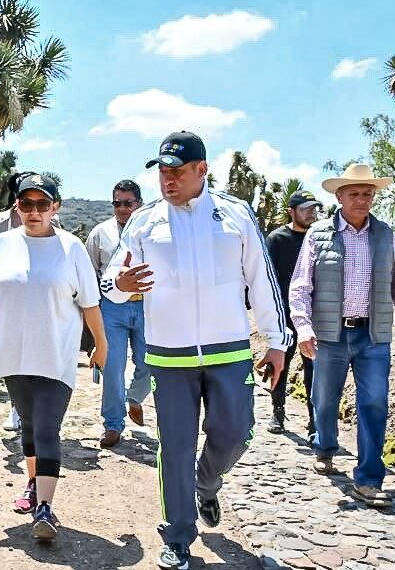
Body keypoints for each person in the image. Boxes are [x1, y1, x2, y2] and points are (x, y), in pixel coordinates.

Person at [102, 131, 289, 569]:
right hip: (169, 356)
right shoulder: (145, 221)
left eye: (177, 172)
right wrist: (121, 285)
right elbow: (112, 281)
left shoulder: (235, 215)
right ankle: (178, 537)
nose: (168, 180)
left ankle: (206, 485)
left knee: (237, 433)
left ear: (201, 171)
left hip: (229, 351)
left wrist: (277, 342)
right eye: (163, 172)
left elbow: (262, 279)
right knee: (176, 445)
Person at [0, 174, 107, 543]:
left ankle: (44, 507)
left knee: (46, 427)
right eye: (26, 204)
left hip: (55, 355)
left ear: (55, 208)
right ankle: (33, 483)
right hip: (13, 352)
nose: (34, 212)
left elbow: (89, 303)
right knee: (29, 425)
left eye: (42, 205)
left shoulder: (71, 247)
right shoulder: (3, 245)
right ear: (17, 207)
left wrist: (101, 344)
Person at [289, 163, 395, 508]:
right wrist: (303, 327)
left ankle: (369, 479)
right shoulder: (318, 234)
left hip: (373, 335)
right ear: (340, 196)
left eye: (368, 194)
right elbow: (301, 286)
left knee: (374, 402)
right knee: (325, 400)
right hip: (330, 334)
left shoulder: (386, 235)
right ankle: (325, 445)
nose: (362, 200)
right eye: (355, 194)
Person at [0, 171, 62, 432]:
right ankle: (17, 406)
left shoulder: (53, 220)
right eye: (25, 199)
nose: (33, 207)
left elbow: (59, 254)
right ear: (16, 198)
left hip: (39, 300)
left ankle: (37, 413)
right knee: (11, 355)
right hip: (7, 300)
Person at [85, 179, 149, 448]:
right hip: (112, 309)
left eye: (128, 203)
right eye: (117, 203)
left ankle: (133, 397)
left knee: (151, 363)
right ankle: (112, 424)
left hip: (148, 306)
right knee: (113, 367)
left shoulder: (151, 231)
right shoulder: (100, 234)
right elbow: (89, 273)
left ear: (139, 204)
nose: (122, 208)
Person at [264, 189, 320, 437]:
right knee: (281, 364)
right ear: (291, 211)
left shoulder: (319, 238)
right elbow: (266, 276)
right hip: (283, 312)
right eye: (306, 208)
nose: (311, 213)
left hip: (312, 314)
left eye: (314, 208)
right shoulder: (277, 239)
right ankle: (277, 411)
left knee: (314, 368)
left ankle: (315, 420)